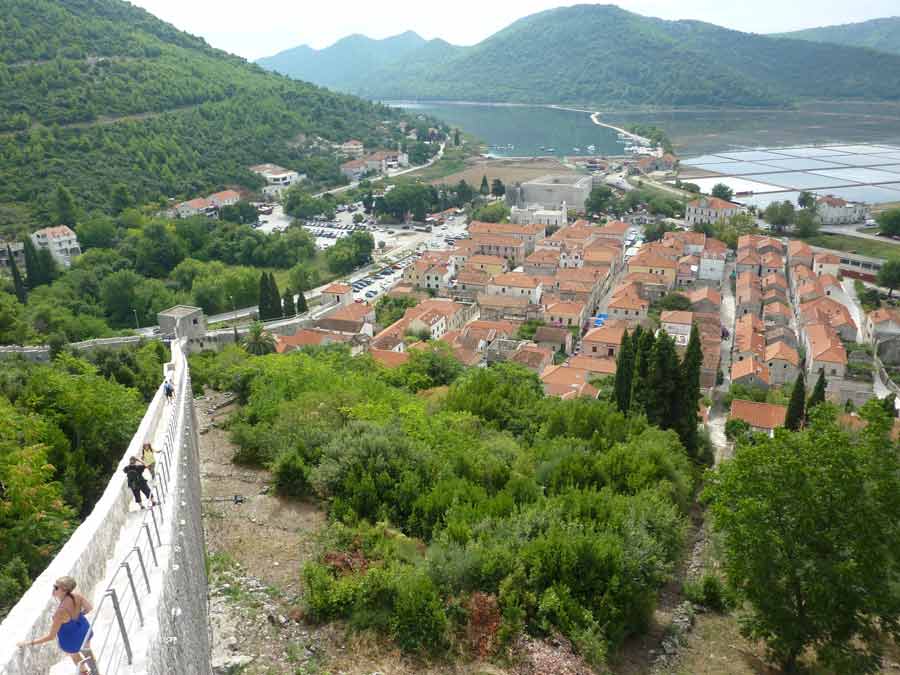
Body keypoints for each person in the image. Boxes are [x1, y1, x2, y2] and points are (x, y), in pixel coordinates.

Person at [17, 576, 99, 674]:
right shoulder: (77, 596)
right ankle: (96, 672)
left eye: (56, 587)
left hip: (71, 638)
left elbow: (50, 637)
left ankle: (84, 673)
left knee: (75, 656)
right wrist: (77, 616)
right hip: (83, 629)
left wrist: (27, 643)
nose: (53, 589)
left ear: (64, 590)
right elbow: (89, 608)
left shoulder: (60, 612)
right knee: (87, 652)